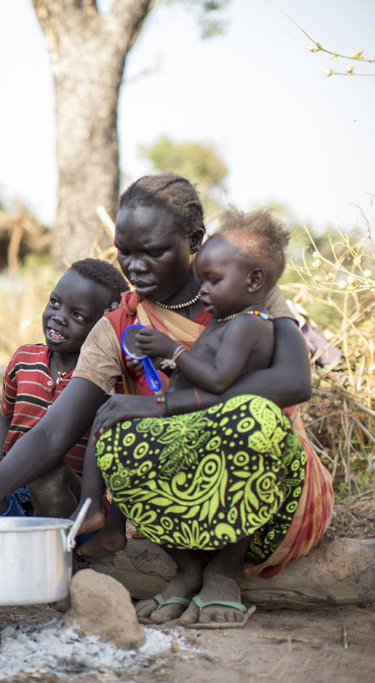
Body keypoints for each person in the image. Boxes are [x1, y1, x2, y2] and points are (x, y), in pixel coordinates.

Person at [0, 174, 333, 629]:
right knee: (112, 423)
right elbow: (53, 431)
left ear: (193, 240)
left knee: (253, 416)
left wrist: (165, 405)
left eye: (153, 251)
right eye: (124, 251)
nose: (136, 266)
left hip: (272, 501)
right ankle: (187, 570)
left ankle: (225, 571)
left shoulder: (245, 287)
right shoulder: (118, 325)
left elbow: (293, 380)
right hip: (180, 512)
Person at [77, 209, 289, 541]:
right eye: (202, 280)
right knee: (112, 417)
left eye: (213, 281)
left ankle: (100, 515)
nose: (201, 291)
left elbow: (219, 380)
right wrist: (168, 364)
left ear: (254, 281)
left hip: (218, 432)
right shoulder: (227, 321)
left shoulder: (248, 325)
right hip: (195, 416)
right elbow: (204, 370)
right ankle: (97, 513)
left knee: (127, 423)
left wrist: (171, 350)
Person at [0, 259, 128, 518]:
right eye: (55, 303)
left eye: (76, 315)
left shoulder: (104, 379)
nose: (59, 317)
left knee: (48, 472)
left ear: (103, 323)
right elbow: (6, 413)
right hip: (11, 484)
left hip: (68, 496)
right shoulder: (24, 359)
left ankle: (59, 552)